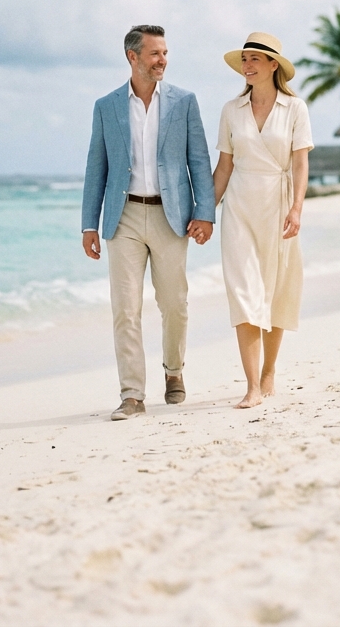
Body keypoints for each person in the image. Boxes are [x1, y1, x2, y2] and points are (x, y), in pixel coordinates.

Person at [81, 25, 216, 421]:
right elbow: (96, 167)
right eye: (155, 53)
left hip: (170, 215)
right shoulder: (106, 106)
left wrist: (204, 212)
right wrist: (89, 223)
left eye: (165, 53)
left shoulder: (184, 102)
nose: (162, 61)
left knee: (174, 304)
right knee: (125, 308)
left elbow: (199, 160)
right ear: (133, 57)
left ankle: (174, 371)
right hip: (122, 218)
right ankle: (132, 395)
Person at [213, 32, 313, 409]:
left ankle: (270, 370)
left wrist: (297, 208)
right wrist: (206, 212)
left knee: (276, 290)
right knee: (244, 293)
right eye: (245, 59)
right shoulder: (230, 110)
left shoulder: (295, 109)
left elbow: (301, 163)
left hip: (278, 202)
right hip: (239, 205)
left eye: (256, 58)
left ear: (274, 65)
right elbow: (224, 167)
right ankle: (252, 385)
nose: (248, 65)